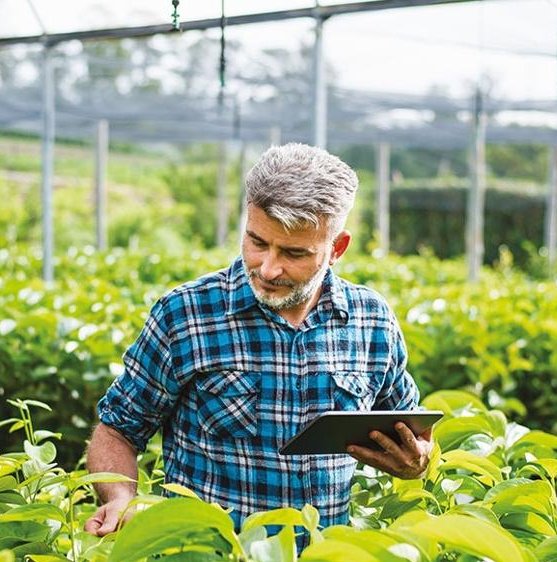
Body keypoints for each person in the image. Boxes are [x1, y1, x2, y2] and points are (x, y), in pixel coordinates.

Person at [82, 143, 430, 537]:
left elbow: (411, 431)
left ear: (337, 248)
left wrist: (417, 461)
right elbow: (118, 430)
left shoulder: (371, 321)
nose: (267, 268)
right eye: (257, 242)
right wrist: (119, 498)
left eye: (294, 253)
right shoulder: (186, 314)